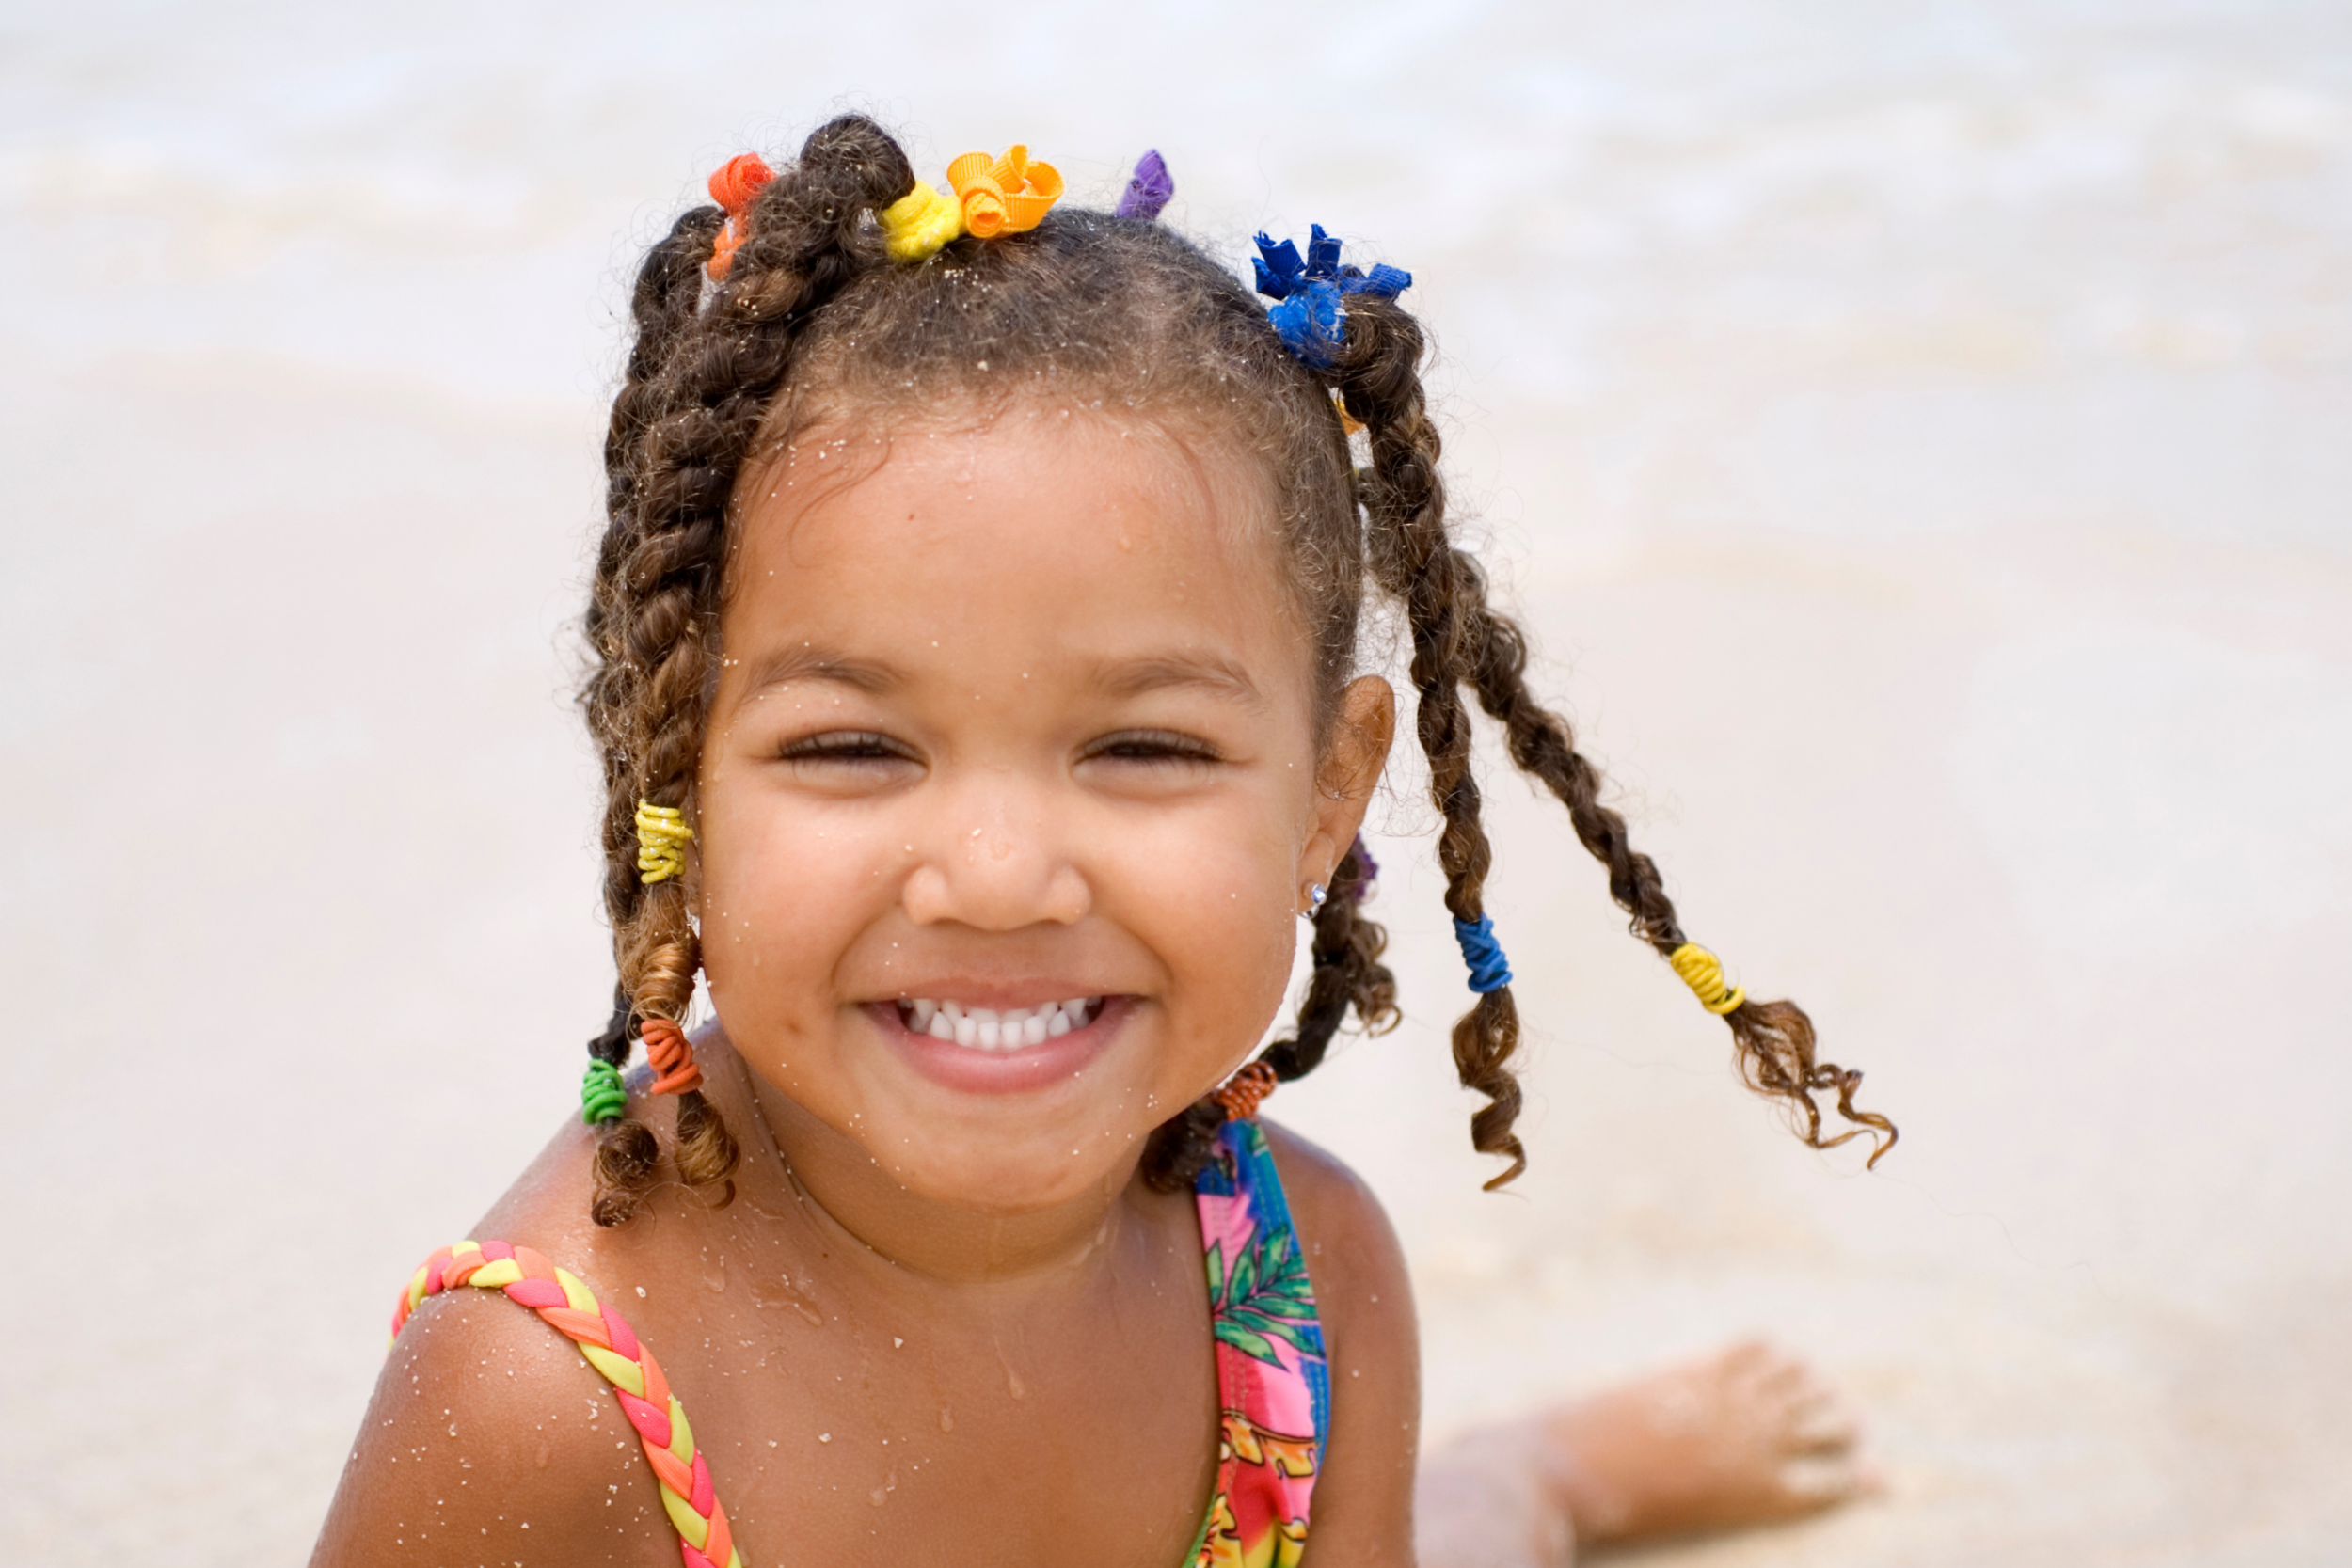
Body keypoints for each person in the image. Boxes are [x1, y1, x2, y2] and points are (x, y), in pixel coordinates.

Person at [312, 115, 1892, 1568]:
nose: (999, 877)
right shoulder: (535, 1407)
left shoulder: (1298, 1286)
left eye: (1144, 746)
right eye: (854, 747)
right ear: (679, 784)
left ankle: (1529, 1483)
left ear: (1328, 797)